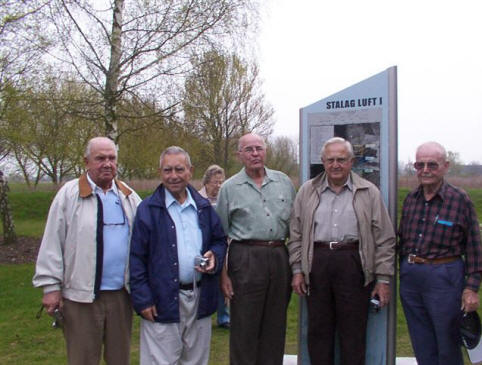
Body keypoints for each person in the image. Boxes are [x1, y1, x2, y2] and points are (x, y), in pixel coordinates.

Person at [32, 136, 142, 365]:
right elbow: (52, 241)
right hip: (80, 299)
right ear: (86, 161)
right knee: (83, 359)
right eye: (100, 158)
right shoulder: (69, 195)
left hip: (121, 296)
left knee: (120, 359)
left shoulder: (128, 196)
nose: (107, 163)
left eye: (112, 158)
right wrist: (51, 287)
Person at [288, 137, 395, 365]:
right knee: (318, 332)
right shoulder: (307, 191)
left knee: (353, 333)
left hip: (353, 263)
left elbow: (385, 238)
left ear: (351, 162)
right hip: (317, 263)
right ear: (323, 162)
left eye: (341, 160)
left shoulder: (369, 192)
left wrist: (383, 278)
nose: (335, 164)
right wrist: (297, 269)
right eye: (330, 160)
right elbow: (295, 233)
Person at [129, 146, 227, 365]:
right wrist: (143, 299)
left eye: (179, 169)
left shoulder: (203, 207)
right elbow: (136, 259)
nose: (173, 176)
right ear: (160, 172)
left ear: (190, 171)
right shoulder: (148, 210)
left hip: (199, 298)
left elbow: (219, 241)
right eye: (167, 170)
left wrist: (215, 257)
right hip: (161, 301)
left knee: (195, 361)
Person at [398, 141, 482, 365]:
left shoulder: (459, 200)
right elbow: (402, 240)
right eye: (419, 164)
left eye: (432, 165)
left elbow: (474, 246)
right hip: (411, 277)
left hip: (444, 277)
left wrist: (472, 288)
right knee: (421, 342)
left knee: (447, 343)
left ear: (445, 166)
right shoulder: (411, 200)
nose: (425, 170)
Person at [216, 133, 296, 365]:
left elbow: (295, 227)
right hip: (245, 258)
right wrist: (224, 276)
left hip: (280, 256)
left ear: (266, 151)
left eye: (258, 148)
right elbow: (220, 237)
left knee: (275, 325)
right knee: (244, 327)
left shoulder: (283, 182)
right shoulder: (229, 188)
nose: (254, 154)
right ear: (239, 155)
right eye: (248, 149)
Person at [198, 164, 230, 329]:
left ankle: (223, 316)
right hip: (202, 245)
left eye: (221, 182)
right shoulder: (198, 199)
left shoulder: (224, 199)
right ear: (206, 182)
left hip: (221, 244)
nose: (218, 185)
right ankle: (202, 313)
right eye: (215, 182)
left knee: (223, 277)